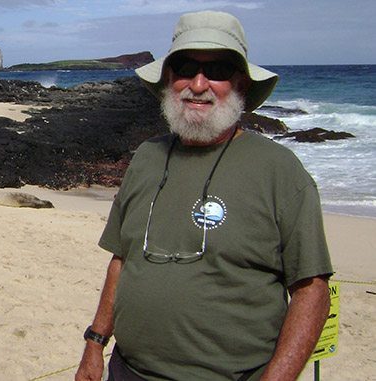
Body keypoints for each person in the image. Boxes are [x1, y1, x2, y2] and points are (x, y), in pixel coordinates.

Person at [76, 10, 333, 381]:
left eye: (218, 70)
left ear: (241, 84)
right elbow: (122, 259)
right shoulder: (146, 157)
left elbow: (312, 290)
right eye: (185, 67)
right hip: (127, 371)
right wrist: (95, 343)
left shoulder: (279, 169)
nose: (198, 84)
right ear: (168, 79)